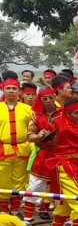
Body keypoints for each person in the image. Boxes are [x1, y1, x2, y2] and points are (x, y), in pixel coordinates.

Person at [22, 89, 60, 224]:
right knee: (35, 186)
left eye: (50, 98)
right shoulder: (35, 116)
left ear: (55, 96)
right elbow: (29, 136)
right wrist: (38, 136)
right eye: (45, 99)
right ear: (41, 100)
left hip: (61, 154)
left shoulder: (64, 113)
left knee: (65, 186)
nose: (48, 101)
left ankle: (66, 217)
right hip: (43, 154)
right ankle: (27, 217)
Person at [0, 79, 34, 215]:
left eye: (14, 89)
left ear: (19, 91)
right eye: (8, 88)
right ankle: (3, 210)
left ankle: (15, 210)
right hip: (3, 149)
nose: (11, 91)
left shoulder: (27, 109)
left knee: (20, 179)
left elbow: (32, 128)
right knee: (2, 179)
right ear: (3, 90)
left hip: (22, 148)